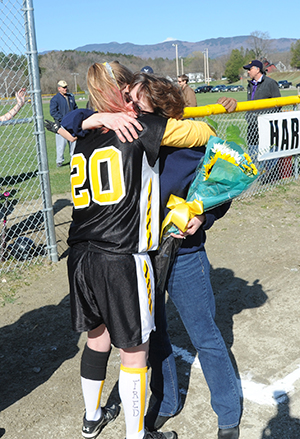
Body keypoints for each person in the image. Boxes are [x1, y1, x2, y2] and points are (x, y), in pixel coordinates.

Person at [66, 63, 216, 439]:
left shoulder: (81, 135)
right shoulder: (141, 128)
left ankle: (92, 416)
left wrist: (90, 117)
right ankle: (137, 435)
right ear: (121, 92)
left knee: (97, 338)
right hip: (121, 254)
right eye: (130, 88)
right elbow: (203, 132)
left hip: (80, 254)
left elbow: (68, 122)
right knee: (135, 352)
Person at [128, 74, 241, 439]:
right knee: (155, 332)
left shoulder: (190, 143)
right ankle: (166, 401)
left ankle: (228, 411)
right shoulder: (128, 142)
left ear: (159, 107)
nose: (129, 108)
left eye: (136, 102)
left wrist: (201, 218)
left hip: (184, 254)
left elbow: (221, 192)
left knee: (204, 333)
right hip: (142, 255)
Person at [243, 59, 281, 161]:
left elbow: (278, 104)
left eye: (250, 69)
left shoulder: (270, 83)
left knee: (268, 154)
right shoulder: (250, 84)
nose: (248, 72)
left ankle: (268, 174)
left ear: (257, 70)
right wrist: (249, 116)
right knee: (253, 153)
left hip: (266, 127)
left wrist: (265, 117)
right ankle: (257, 173)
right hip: (252, 126)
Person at [50, 80, 78, 167]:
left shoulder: (70, 97)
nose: (65, 89)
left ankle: (74, 159)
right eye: (63, 87)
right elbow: (53, 112)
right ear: (59, 88)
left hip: (72, 124)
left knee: (73, 143)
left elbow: (75, 108)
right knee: (61, 144)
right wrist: (63, 119)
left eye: (66, 87)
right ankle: (59, 161)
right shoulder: (55, 99)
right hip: (61, 125)